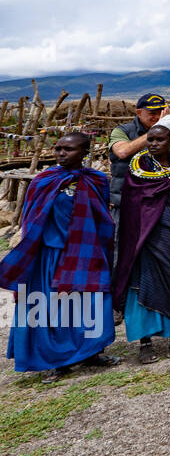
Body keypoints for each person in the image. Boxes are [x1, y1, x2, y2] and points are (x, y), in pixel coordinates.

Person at [1, 132, 117, 380]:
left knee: (88, 305)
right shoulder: (44, 181)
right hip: (51, 255)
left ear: (85, 152)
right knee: (50, 308)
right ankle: (54, 360)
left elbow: (102, 219)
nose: (61, 154)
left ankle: (89, 352)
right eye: (58, 149)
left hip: (86, 253)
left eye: (69, 149)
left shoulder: (96, 180)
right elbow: (31, 221)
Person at [111, 123, 170, 364]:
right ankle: (145, 341)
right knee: (142, 282)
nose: (153, 144)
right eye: (150, 139)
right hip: (145, 238)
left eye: (160, 140)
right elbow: (130, 207)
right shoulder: (137, 169)